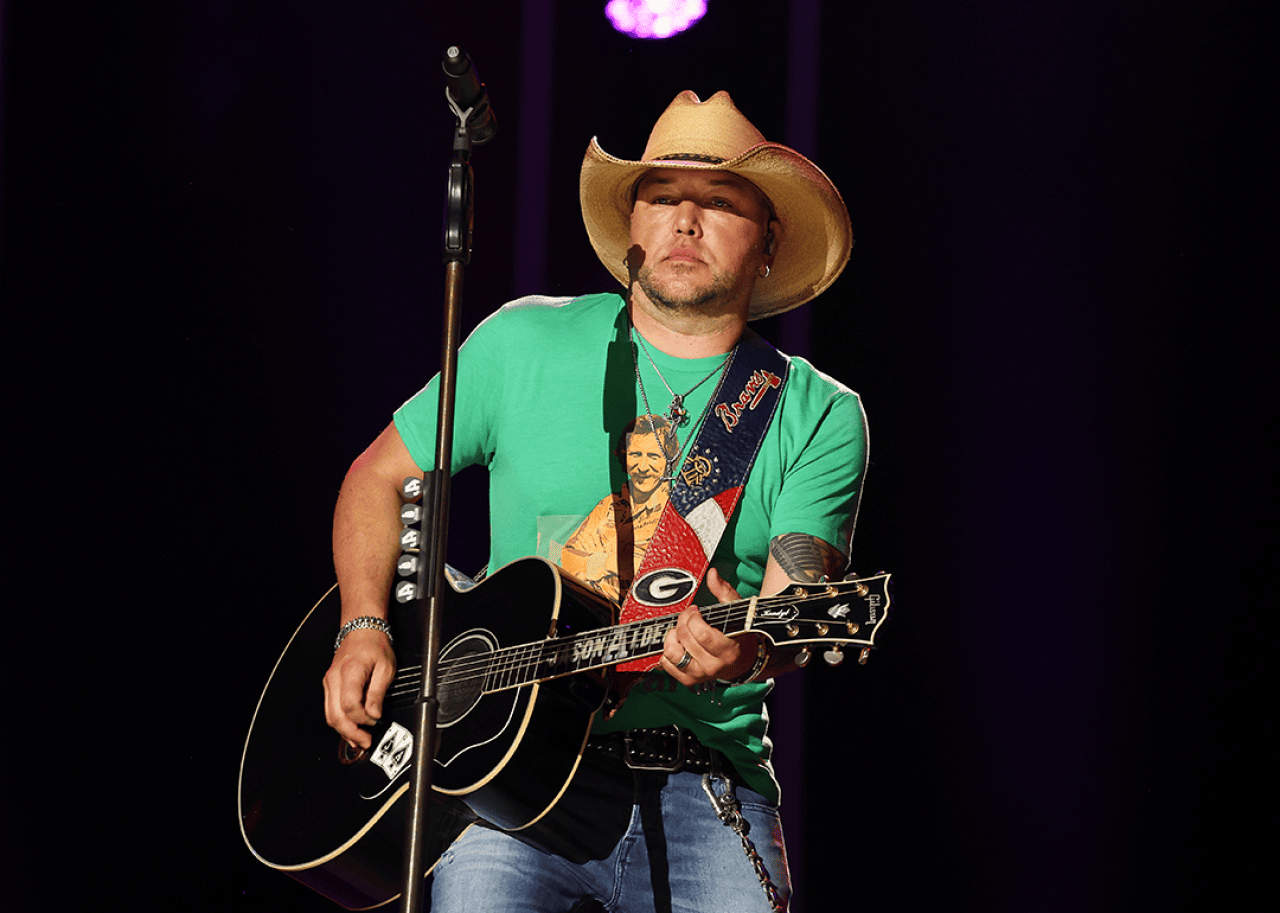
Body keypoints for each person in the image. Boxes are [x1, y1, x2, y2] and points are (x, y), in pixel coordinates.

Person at [323, 90, 868, 912]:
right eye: (664, 196)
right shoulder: (522, 342)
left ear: (768, 243)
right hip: (503, 791)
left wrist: (750, 650)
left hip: (702, 780)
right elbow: (376, 476)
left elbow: (795, 606)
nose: (686, 220)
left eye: (720, 202)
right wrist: (363, 625)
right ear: (633, 229)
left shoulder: (815, 410)